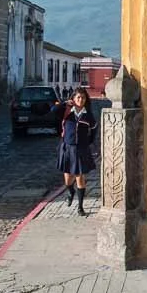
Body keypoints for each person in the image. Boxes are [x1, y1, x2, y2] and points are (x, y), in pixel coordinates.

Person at [57, 87, 98, 216]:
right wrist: (64, 104)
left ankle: (80, 207)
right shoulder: (67, 112)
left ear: (86, 100)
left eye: (83, 98)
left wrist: (87, 143)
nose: (81, 100)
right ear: (73, 99)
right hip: (67, 148)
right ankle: (70, 191)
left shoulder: (88, 115)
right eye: (78, 97)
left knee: (80, 177)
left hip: (81, 149)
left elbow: (93, 132)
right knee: (68, 178)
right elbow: (53, 111)